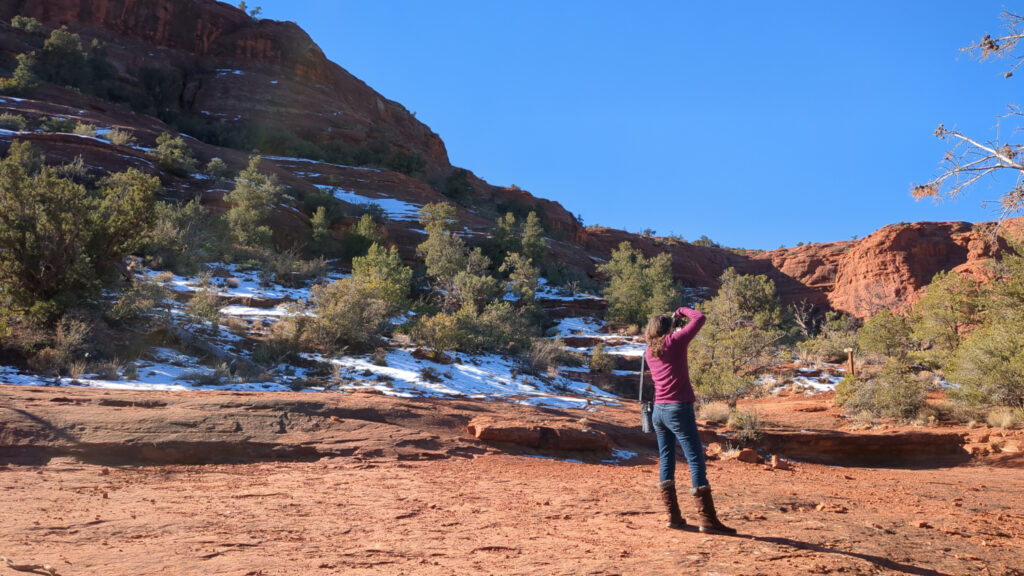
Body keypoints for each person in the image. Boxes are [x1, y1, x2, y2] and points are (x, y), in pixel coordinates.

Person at [644, 307, 735, 535]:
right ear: (669, 328)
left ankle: (673, 516)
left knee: (666, 459)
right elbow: (701, 318)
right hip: (678, 409)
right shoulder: (675, 341)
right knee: (695, 460)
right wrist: (681, 311)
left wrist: (672, 322)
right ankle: (707, 520)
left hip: (658, 411)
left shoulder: (649, 351)